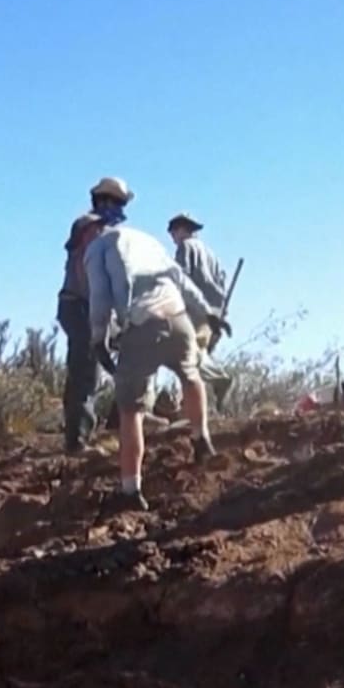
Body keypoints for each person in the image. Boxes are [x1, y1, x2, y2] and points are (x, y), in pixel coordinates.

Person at [85, 216, 217, 512]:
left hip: (143, 322)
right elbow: (180, 279)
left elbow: (100, 297)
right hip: (178, 315)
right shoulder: (148, 241)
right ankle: (201, 439)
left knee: (130, 409)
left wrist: (99, 337)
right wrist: (208, 313)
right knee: (190, 374)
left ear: (94, 229)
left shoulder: (96, 248)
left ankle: (131, 490)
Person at [57, 177, 134, 452]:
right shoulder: (93, 227)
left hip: (78, 305)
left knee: (100, 361)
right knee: (86, 371)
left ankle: (114, 420)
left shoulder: (92, 227)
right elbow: (87, 270)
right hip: (81, 305)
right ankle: (77, 442)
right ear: (106, 201)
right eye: (118, 203)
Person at [167, 212, 235, 412]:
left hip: (195, 311)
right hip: (215, 313)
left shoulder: (185, 247)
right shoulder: (211, 254)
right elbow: (221, 284)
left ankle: (219, 379)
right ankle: (190, 407)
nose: (172, 237)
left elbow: (181, 277)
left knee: (187, 354)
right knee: (195, 356)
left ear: (180, 230)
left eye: (173, 232)